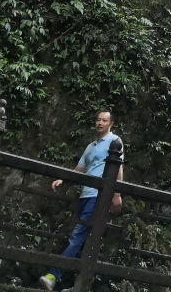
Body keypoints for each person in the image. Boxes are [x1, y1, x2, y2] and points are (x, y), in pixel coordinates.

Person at [39, 110, 124, 291]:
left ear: (111, 124)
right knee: (86, 239)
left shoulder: (114, 142)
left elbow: (118, 169)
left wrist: (117, 195)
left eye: (104, 120)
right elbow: (80, 168)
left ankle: (53, 275)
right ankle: (81, 284)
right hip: (85, 195)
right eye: (98, 120)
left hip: (98, 197)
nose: (100, 123)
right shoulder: (91, 146)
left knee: (77, 236)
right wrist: (64, 179)